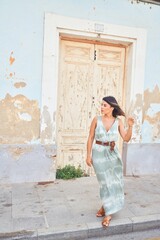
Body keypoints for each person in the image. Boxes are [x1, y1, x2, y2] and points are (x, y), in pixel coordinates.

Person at [86, 96, 134, 227]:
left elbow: (126, 138)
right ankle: (107, 209)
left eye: (104, 105)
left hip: (113, 155)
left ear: (112, 108)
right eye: (101, 105)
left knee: (113, 182)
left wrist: (130, 127)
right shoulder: (96, 119)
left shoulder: (118, 122)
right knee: (104, 183)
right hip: (98, 154)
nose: (101, 107)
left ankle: (107, 211)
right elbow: (90, 138)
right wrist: (88, 155)